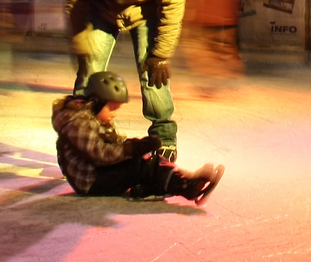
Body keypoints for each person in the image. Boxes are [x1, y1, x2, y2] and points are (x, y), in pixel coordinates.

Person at [66, 0, 186, 161]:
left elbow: (173, 1)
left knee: (153, 73)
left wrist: (161, 54)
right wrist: (80, 39)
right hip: (102, 11)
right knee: (89, 72)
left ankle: (164, 136)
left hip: (145, 13)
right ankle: (77, 133)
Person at [53, 71, 223, 203]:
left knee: (144, 159)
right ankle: (186, 187)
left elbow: (114, 143)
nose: (113, 114)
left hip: (98, 175)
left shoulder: (93, 118)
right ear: (96, 102)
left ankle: (162, 184)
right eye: (111, 109)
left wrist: (136, 146)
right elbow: (99, 154)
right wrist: (132, 149)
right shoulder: (78, 123)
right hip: (91, 182)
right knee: (144, 165)